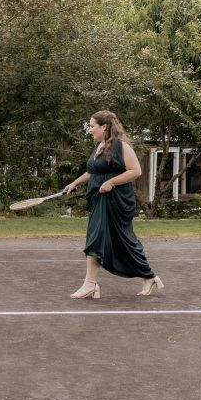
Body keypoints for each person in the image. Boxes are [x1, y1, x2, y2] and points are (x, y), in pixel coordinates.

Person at [63, 110, 163, 298]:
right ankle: (149, 277)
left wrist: (111, 182)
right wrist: (75, 183)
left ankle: (90, 284)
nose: (90, 129)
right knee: (122, 241)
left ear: (104, 126)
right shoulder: (99, 146)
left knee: (97, 238)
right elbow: (94, 172)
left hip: (115, 200)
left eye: (92, 126)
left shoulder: (121, 146)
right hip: (99, 199)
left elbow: (136, 171)